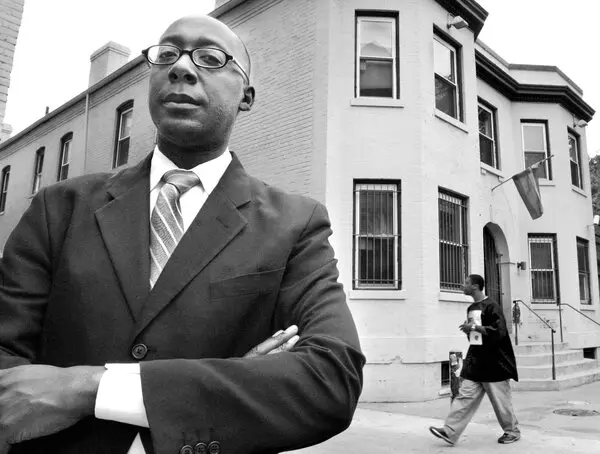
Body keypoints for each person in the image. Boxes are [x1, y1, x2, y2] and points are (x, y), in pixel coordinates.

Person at [0, 15, 365, 454]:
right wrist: (236, 379)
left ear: (246, 96)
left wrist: (91, 389)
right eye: (167, 55)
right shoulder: (58, 208)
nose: (182, 67)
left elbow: (331, 378)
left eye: (211, 58)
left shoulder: (296, 223)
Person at [429, 274, 520, 446]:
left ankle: (512, 431)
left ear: (476, 287)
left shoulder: (492, 306)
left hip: (495, 363)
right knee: (464, 397)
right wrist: (469, 331)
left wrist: (475, 327)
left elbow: (499, 331)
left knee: (501, 402)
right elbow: (476, 337)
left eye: (466, 283)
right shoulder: (471, 308)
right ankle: (450, 431)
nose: (463, 285)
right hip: (476, 362)